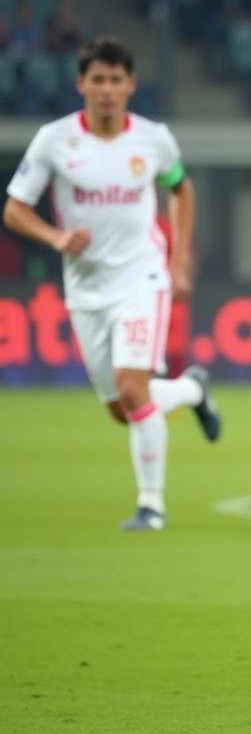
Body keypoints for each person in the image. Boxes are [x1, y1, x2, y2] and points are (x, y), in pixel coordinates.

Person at [2, 37, 221, 531]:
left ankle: (151, 506)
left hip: (143, 277)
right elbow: (15, 208)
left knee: (130, 387)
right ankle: (191, 390)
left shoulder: (153, 139)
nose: (106, 90)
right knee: (123, 408)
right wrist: (55, 236)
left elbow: (181, 188)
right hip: (85, 290)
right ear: (81, 84)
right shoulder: (54, 141)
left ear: (130, 86)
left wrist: (179, 258)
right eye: (97, 80)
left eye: (115, 80)